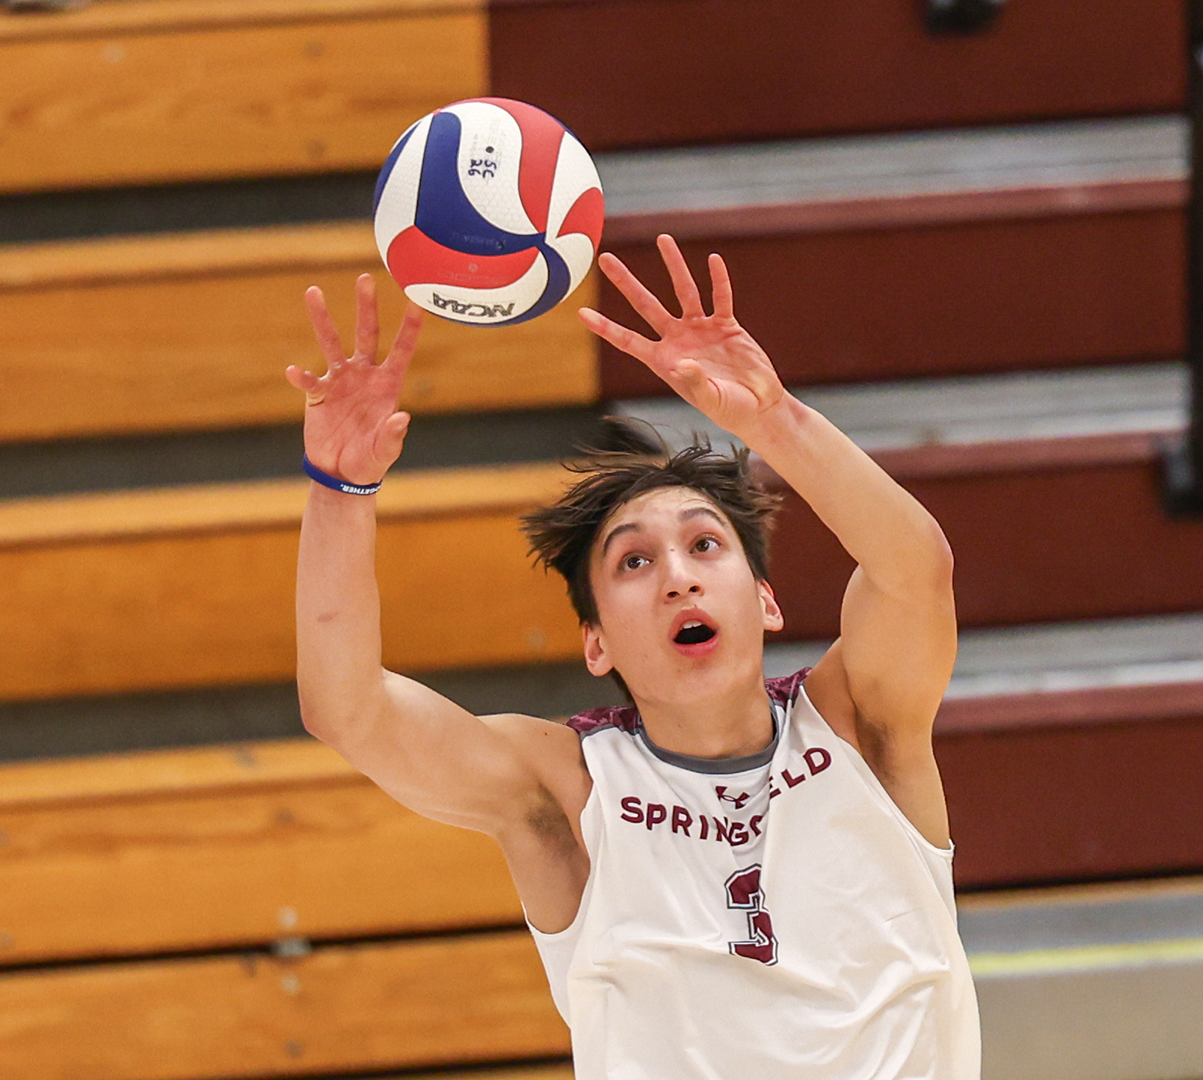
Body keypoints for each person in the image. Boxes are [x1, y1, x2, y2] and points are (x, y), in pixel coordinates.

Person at [287, 235, 981, 1079]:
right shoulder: (569, 788)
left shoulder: (860, 724)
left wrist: (772, 419)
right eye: (635, 561)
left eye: (704, 545)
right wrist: (339, 490)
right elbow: (347, 707)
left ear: (765, 599)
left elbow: (917, 572)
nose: (678, 579)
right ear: (596, 643)